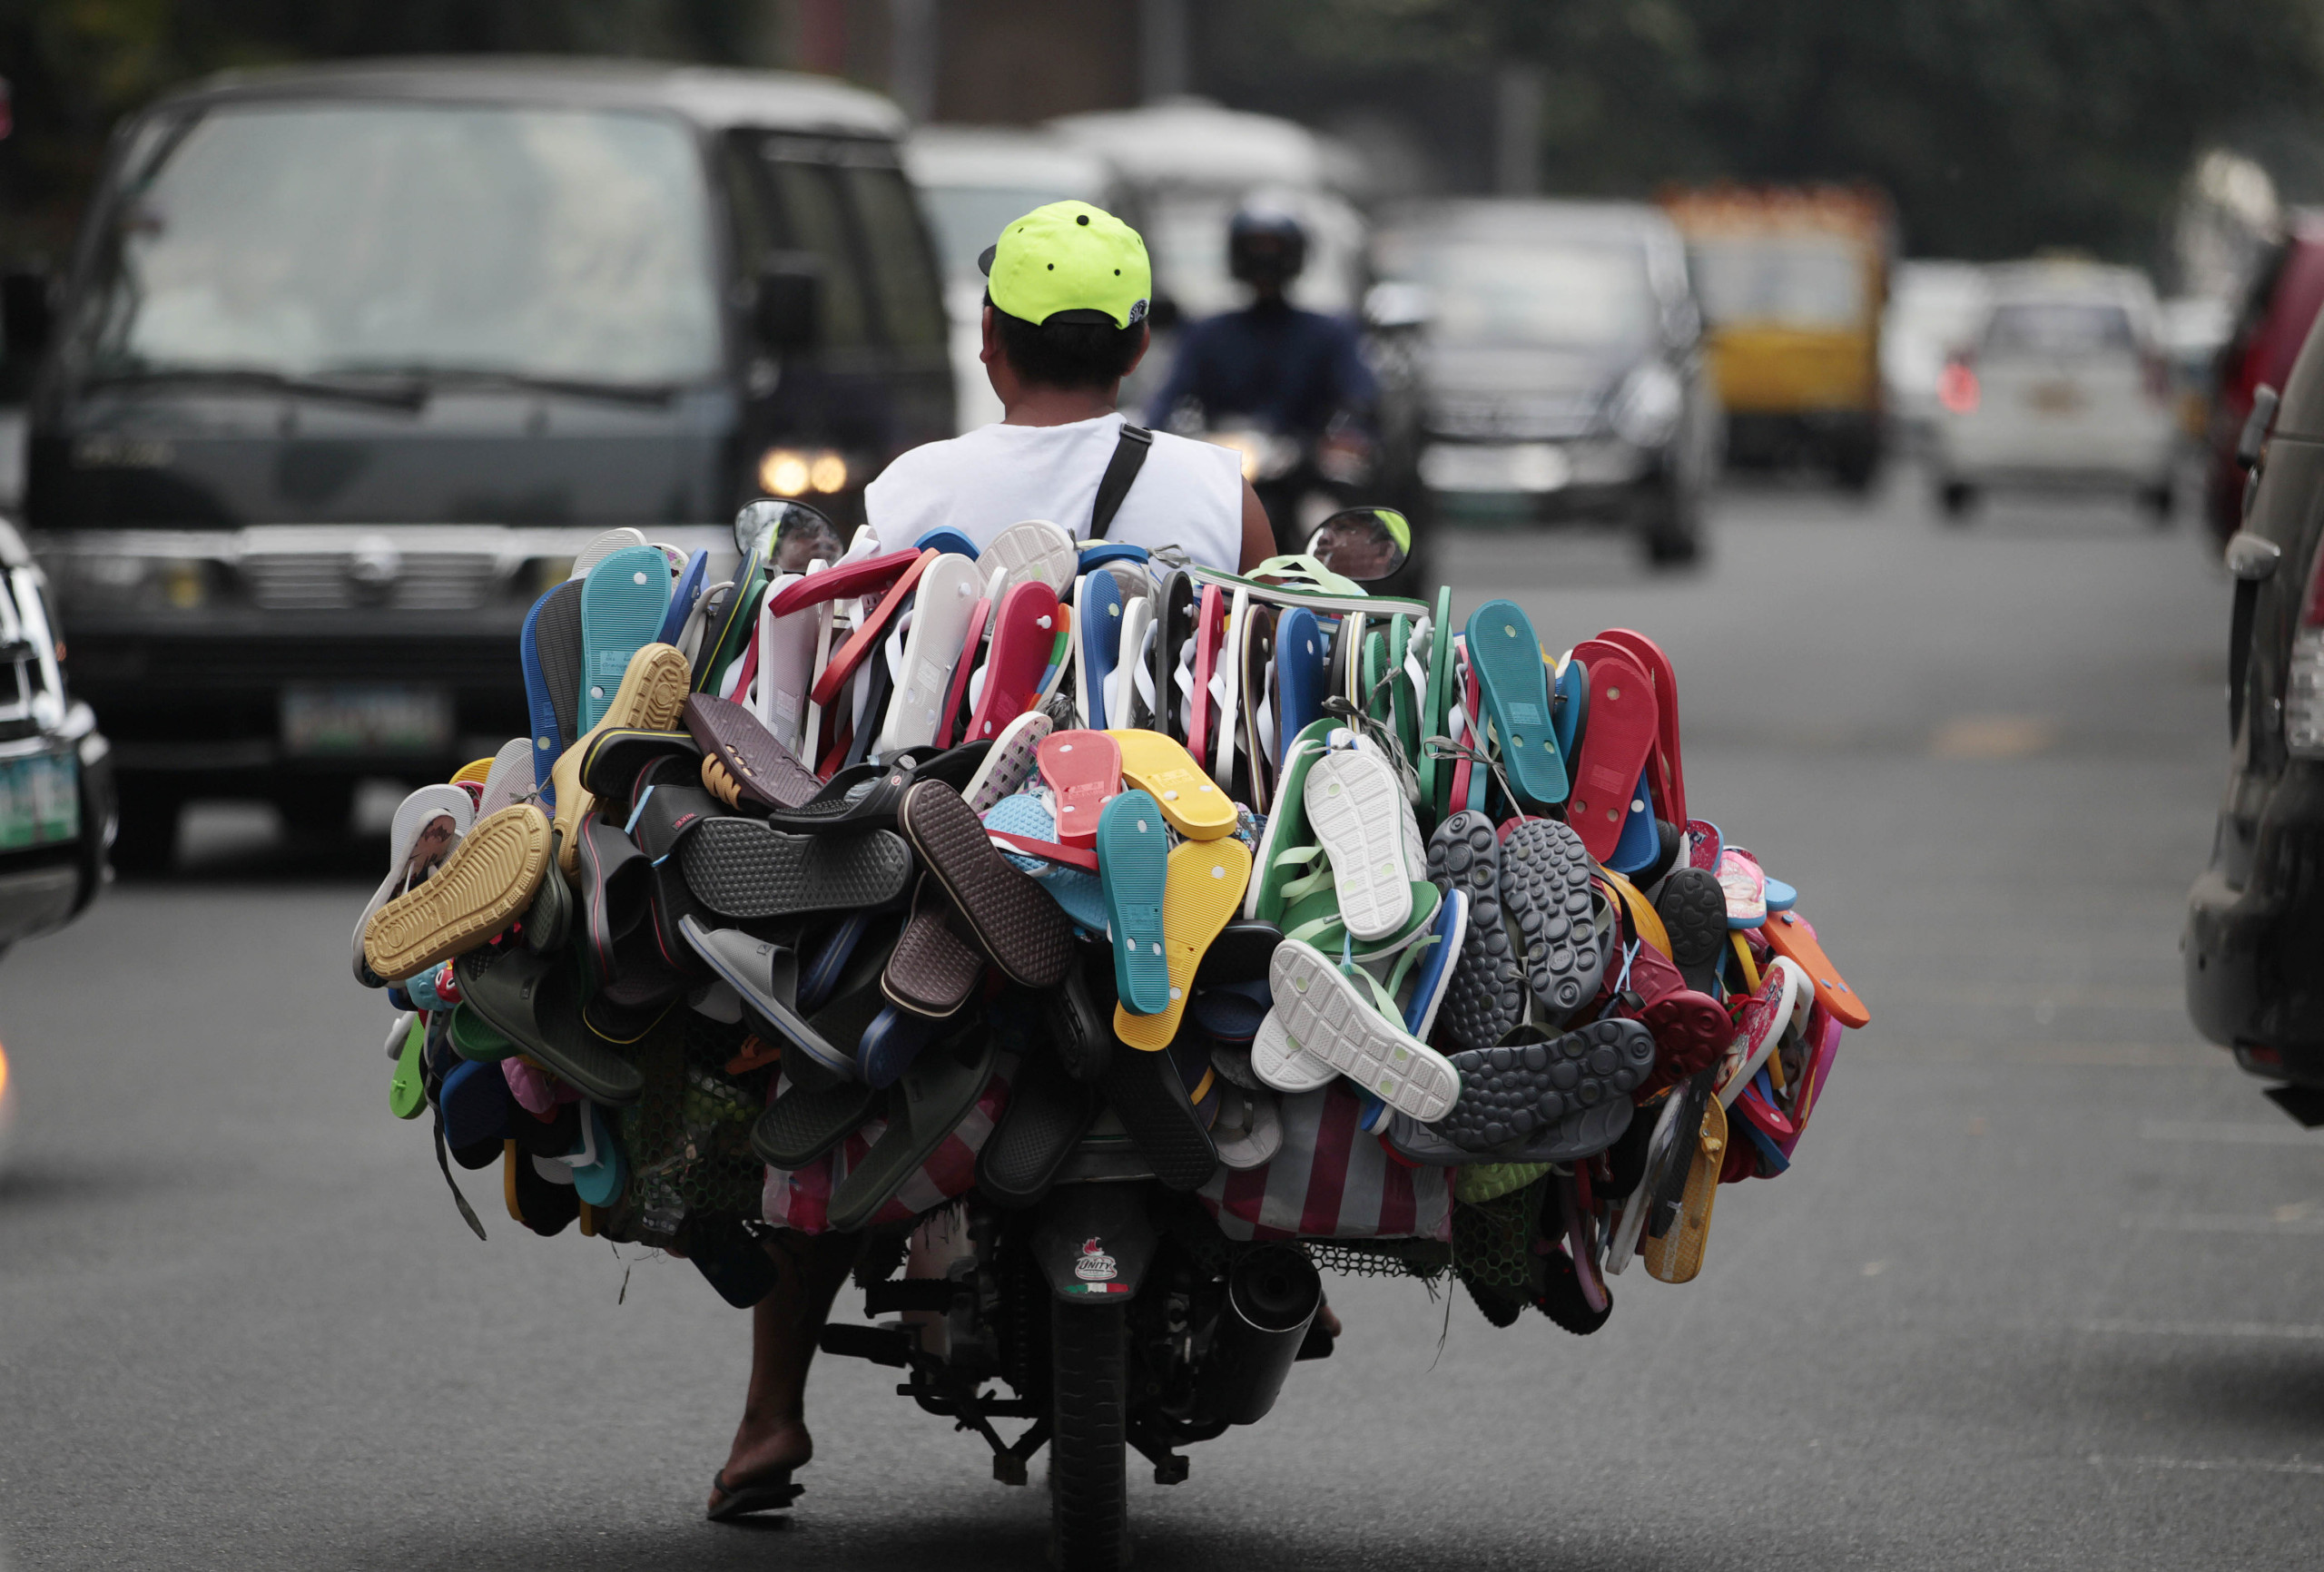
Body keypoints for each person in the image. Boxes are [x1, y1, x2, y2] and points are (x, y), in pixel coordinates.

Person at [707, 200, 1275, 1523]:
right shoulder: (1211, 488)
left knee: (834, 1069)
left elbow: (847, 681)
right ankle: (1258, 1262)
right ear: (1136, 348)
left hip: (940, 852)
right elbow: (1270, 680)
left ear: (989, 341)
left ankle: (767, 1417)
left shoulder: (914, 487)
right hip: (1173, 846)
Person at [1147, 201, 1380, 536]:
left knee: (1331, 532)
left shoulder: (1328, 333)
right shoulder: (1208, 333)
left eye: (1274, 248)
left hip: (1304, 473)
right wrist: (1152, 437)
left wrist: (1349, 434)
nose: (1264, 260)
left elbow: (1359, 395)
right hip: (1222, 467)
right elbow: (1168, 396)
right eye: (1254, 248)